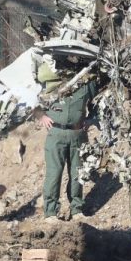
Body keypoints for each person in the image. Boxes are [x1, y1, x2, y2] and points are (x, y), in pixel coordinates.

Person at [36, 78, 98, 223]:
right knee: (54, 173)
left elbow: (96, 103)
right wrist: (42, 116)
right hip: (56, 133)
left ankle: (76, 209)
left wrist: (90, 119)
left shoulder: (87, 84)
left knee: (77, 173)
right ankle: (51, 212)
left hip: (78, 135)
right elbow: (33, 104)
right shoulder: (53, 82)